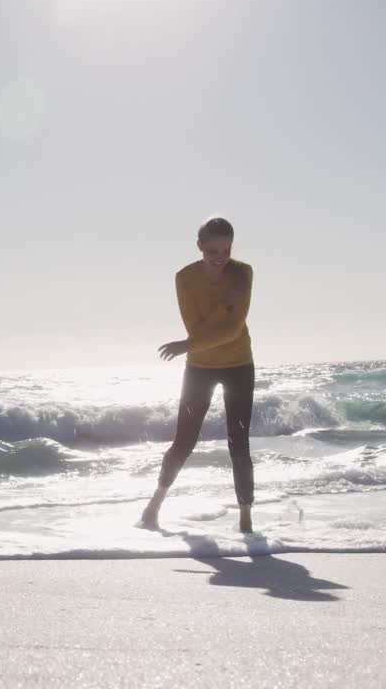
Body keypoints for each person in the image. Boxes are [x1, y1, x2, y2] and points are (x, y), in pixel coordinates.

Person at [139, 216, 256, 533]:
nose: (220, 257)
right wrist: (224, 306)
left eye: (226, 249)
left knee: (239, 443)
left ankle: (245, 520)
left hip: (239, 365)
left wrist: (189, 343)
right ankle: (154, 506)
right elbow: (197, 326)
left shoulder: (243, 273)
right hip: (200, 367)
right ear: (200, 246)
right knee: (184, 441)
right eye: (213, 250)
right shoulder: (185, 278)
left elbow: (232, 331)